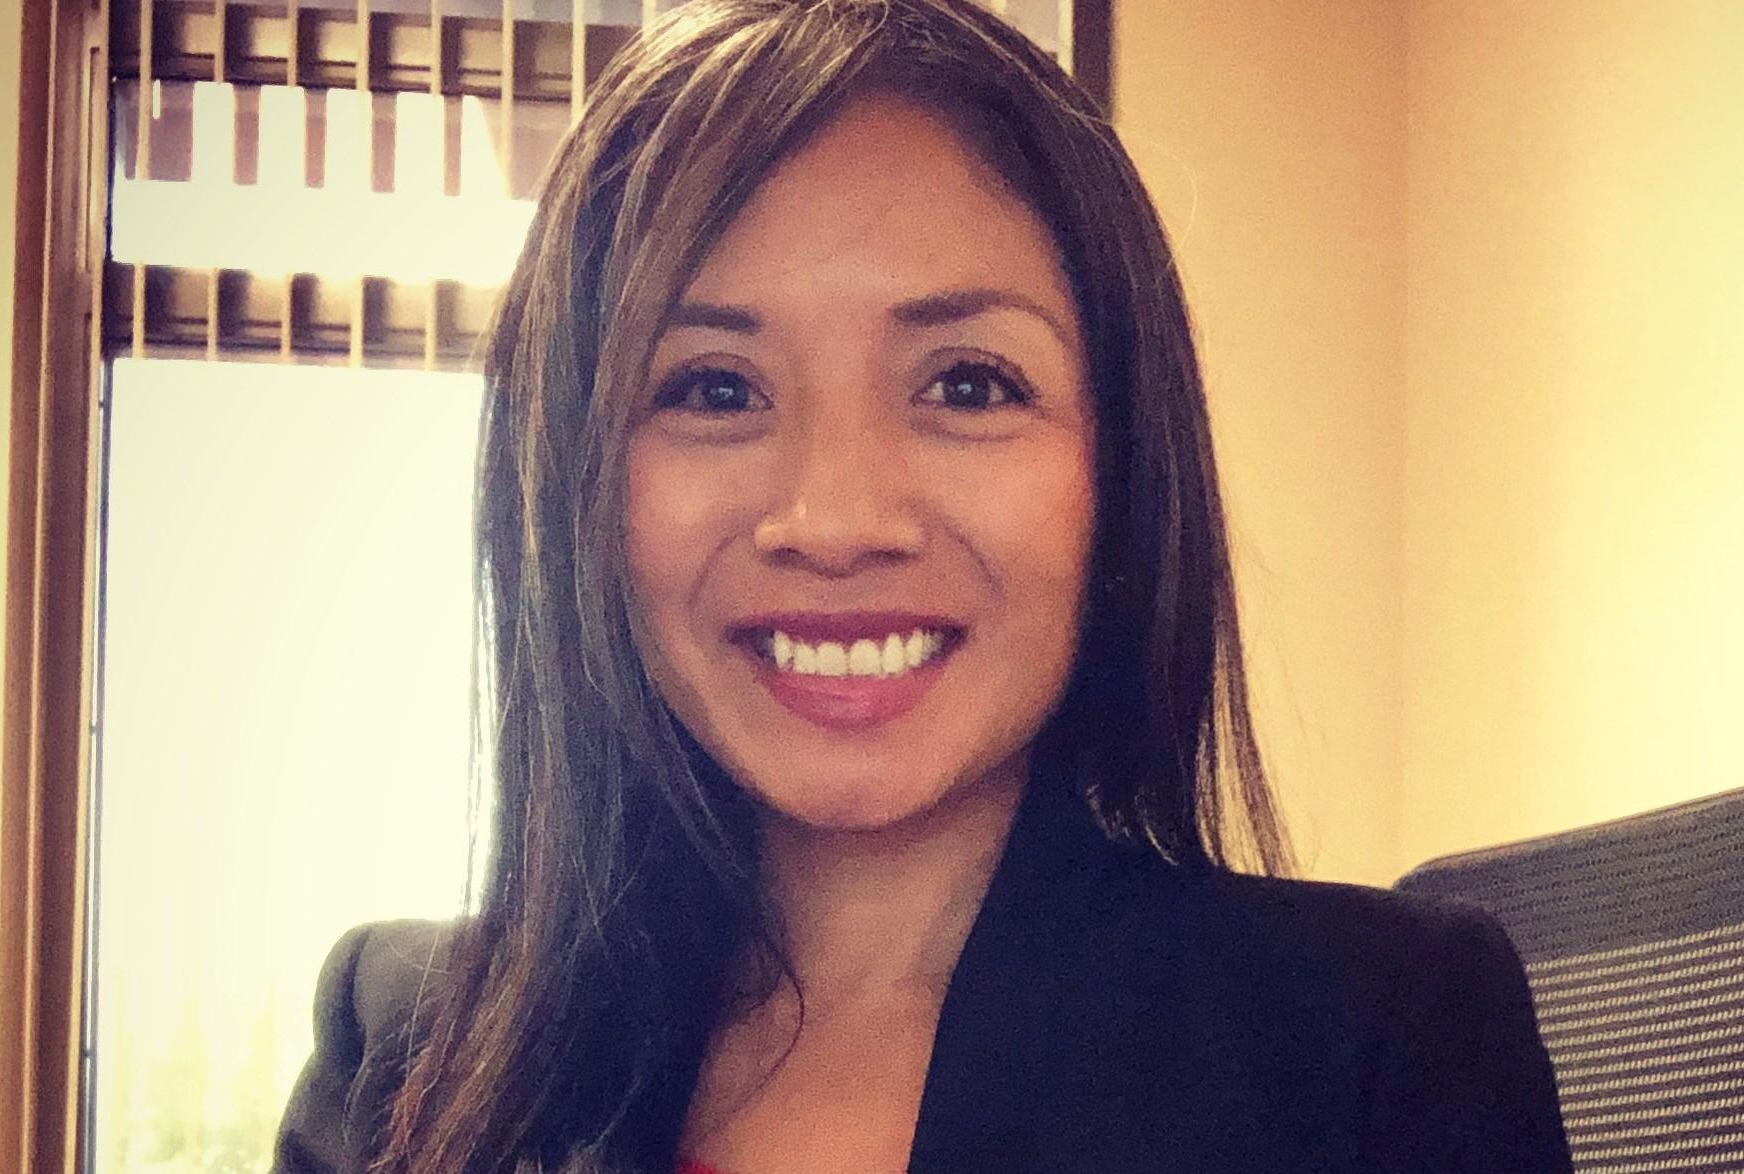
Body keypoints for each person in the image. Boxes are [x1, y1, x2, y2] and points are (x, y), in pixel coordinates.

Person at [272, 1, 1573, 1171]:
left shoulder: (1376, 1034)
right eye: (715, 389)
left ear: (1118, 463)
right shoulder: (403, 1053)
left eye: (968, 383)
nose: (836, 520)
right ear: (576, 488)